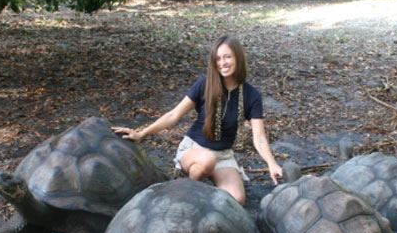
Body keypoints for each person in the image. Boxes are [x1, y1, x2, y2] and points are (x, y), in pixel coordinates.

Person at [111, 35, 282, 205]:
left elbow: (259, 136)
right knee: (207, 160)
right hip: (194, 150)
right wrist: (142, 133)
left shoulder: (251, 95)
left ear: (238, 57)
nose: (223, 63)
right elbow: (174, 115)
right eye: (218, 59)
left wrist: (271, 163)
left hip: (222, 155)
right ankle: (189, 187)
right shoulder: (204, 85)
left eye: (228, 57)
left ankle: (203, 188)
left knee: (236, 200)